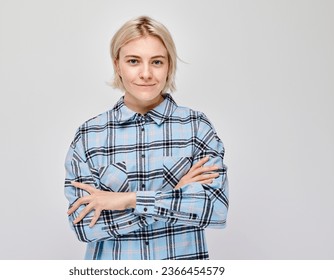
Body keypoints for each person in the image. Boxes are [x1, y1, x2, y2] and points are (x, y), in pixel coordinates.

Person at [64, 15, 228, 260]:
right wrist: (175, 195)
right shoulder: (89, 136)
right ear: (117, 64)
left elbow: (215, 209)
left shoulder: (196, 128)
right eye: (133, 61)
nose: (146, 73)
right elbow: (86, 226)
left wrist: (127, 200)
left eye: (157, 62)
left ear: (169, 66)